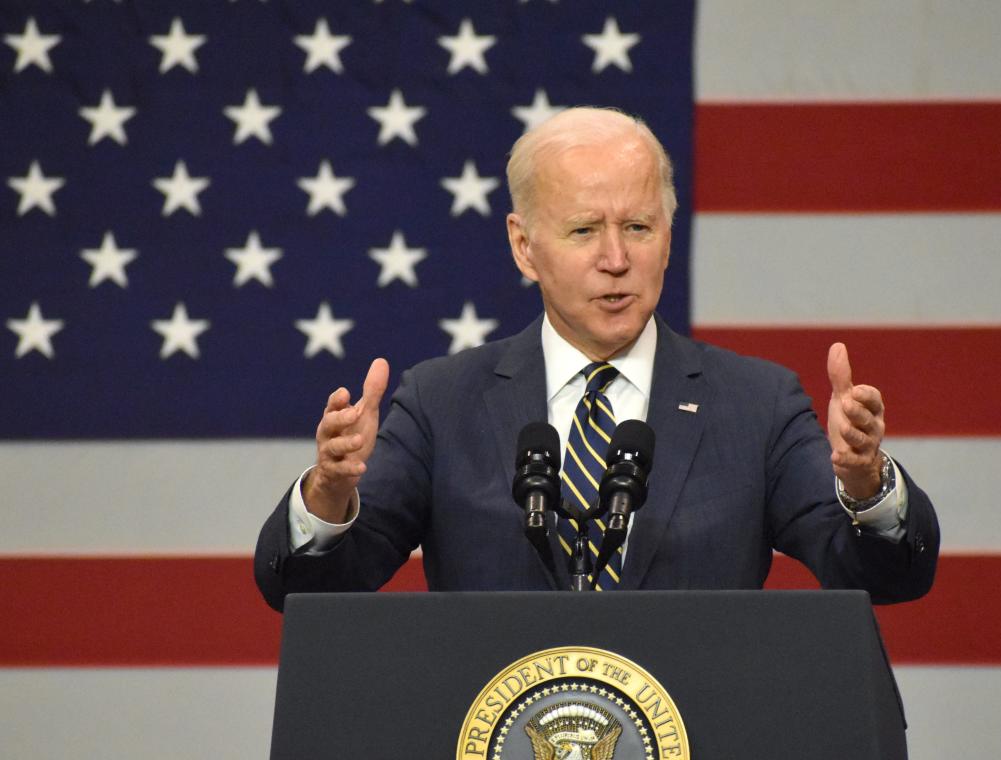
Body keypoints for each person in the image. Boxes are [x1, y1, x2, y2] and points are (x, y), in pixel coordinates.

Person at [255, 107, 938, 611]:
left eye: (638, 227)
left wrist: (867, 488)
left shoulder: (756, 405)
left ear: (668, 239)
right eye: (584, 231)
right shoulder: (442, 402)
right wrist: (330, 495)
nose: (617, 260)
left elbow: (884, 576)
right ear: (524, 247)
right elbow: (310, 589)